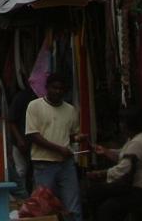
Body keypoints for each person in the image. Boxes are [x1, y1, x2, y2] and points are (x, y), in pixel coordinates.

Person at [25, 73, 86, 221]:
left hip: (66, 163)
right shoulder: (35, 106)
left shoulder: (70, 110)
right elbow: (33, 135)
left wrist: (78, 138)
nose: (57, 91)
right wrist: (59, 149)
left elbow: (70, 134)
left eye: (61, 89)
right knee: (43, 206)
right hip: (43, 162)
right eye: (54, 88)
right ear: (47, 88)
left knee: (73, 206)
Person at [86, 107, 142, 221]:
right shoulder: (137, 139)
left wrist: (100, 174)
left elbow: (124, 168)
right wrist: (106, 151)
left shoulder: (138, 141)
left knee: (106, 205)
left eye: (123, 122)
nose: (120, 125)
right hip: (141, 188)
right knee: (98, 194)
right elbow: (124, 155)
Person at [8, 85, 37, 198]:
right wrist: (19, 139)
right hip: (21, 141)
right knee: (21, 171)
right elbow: (11, 120)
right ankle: (23, 199)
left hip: (33, 142)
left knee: (30, 172)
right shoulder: (22, 97)